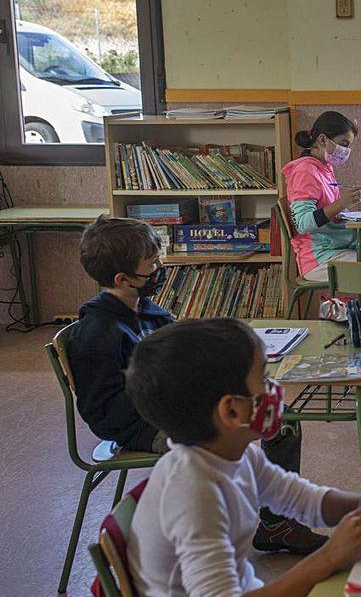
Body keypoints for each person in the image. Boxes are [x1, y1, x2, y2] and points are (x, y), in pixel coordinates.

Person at [69, 216, 326, 553]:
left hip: (176, 406)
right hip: (143, 425)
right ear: (123, 279)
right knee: (228, 439)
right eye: (152, 263)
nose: (160, 267)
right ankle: (210, 534)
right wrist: (182, 412)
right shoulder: (98, 334)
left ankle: (276, 523)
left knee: (283, 420)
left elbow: (182, 352)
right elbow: (100, 409)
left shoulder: (145, 308)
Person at [124, 318, 361, 597]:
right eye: (263, 378)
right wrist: (329, 558)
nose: (273, 388)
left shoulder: (239, 454)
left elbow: (302, 499)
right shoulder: (194, 494)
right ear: (232, 411)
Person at [283, 110, 361, 307]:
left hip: (337, 248)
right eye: (344, 144)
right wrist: (342, 203)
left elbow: (327, 211)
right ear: (322, 140)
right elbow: (303, 224)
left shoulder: (322, 167)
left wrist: (345, 209)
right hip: (319, 259)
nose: (346, 151)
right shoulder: (304, 171)